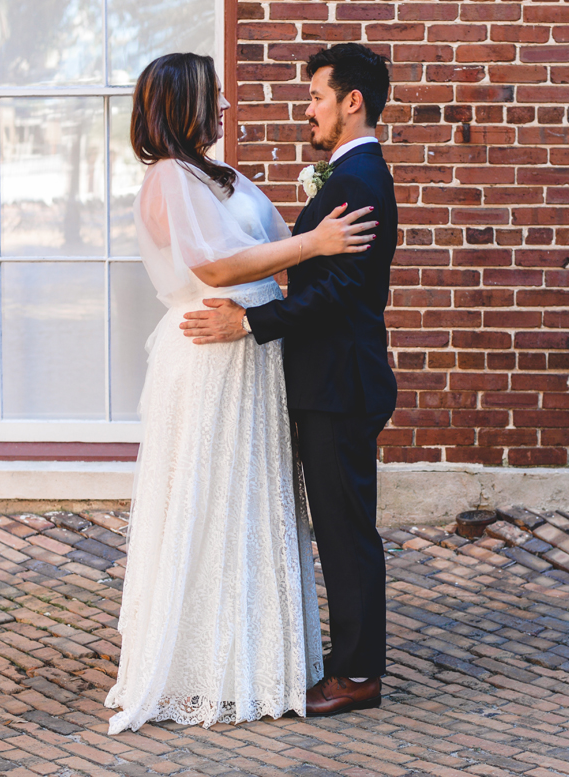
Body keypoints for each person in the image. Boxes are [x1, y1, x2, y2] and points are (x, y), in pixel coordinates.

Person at [104, 52, 377, 734]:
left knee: (251, 502)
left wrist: (311, 242)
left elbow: (276, 241)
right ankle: (203, 664)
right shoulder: (169, 177)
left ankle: (256, 657)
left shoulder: (215, 174)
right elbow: (217, 264)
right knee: (210, 497)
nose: (226, 108)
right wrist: (317, 244)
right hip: (213, 352)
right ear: (184, 105)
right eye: (215, 98)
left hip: (251, 352)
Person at [182, 43, 398, 717]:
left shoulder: (358, 181)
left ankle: (358, 673)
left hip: (340, 383)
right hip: (331, 379)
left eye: (315, 97)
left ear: (351, 101)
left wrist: (250, 325)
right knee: (338, 525)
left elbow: (337, 291)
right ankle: (349, 661)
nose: (307, 110)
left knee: (345, 530)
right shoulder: (350, 175)